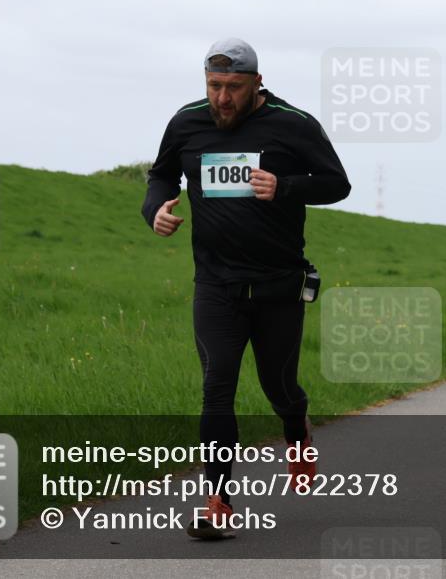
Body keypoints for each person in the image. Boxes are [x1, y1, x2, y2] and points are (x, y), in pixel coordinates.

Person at [141, 38, 351, 539]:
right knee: (217, 388)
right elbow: (161, 175)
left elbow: (337, 183)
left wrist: (285, 186)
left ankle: (296, 430)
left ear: (257, 83)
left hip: (278, 287)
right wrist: (156, 211)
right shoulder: (186, 122)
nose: (223, 99)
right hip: (215, 285)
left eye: (234, 87)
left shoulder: (292, 124)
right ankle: (218, 501)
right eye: (214, 86)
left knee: (280, 388)